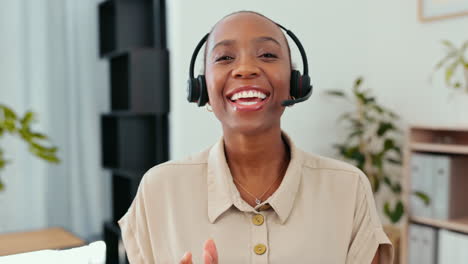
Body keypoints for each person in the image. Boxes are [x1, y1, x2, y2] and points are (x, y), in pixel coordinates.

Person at [118, 10, 394, 264]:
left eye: (268, 55)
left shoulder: (348, 187)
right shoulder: (159, 190)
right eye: (225, 58)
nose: (246, 69)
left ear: (295, 83)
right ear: (201, 90)